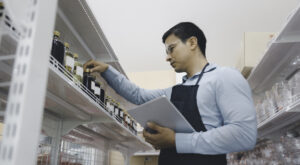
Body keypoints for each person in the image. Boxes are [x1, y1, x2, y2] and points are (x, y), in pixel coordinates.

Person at [84, 22, 257, 165]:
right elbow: (138, 95)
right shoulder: (174, 91)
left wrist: (176, 141)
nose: (167, 58)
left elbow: (244, 134)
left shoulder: (225, 77)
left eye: (171, 49)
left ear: (192, 43)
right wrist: (107, 71)